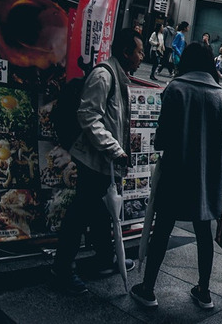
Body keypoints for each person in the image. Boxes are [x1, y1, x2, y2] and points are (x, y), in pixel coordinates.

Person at [129, 42, 222, 311]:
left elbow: (161, 139)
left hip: (176, 172)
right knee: (203, 232)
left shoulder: (175, 90)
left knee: (163, 228)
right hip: (209, 178)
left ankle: (148, 288)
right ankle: (204, 291)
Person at [50, 32, 145, 294]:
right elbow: (89, 117)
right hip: (94, 159)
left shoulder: (120, 76)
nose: (142, 56)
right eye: (139, 51)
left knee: (100, 212)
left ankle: (105, 257)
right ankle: (62, 270)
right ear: (126, 52)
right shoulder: (104, 75)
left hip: (105, 162)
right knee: (80, 214)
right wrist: (114, 148)